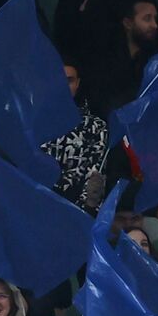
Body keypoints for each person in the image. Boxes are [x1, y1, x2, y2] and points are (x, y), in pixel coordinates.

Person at [41, 62, 109, 213]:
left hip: (73, 211)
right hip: (33, 202)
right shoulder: (34, 121)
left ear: (78, 83)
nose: (64, 86)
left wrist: (85, 210)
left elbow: (95, 173)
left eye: (69, 80)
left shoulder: (95, 126)